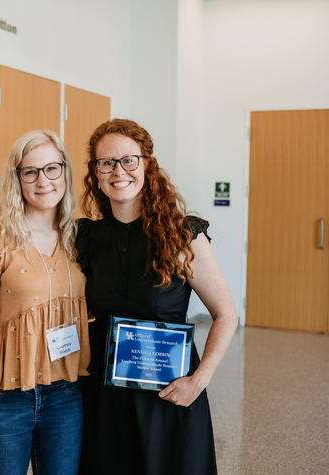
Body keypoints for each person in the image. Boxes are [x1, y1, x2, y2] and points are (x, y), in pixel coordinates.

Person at [76, 119, 238, 475]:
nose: (119, 171)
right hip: (104, 398)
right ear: (96, 174)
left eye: (128, 160)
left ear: (147, 164)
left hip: (169, 394)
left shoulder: (182, 235)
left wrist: (200, 380)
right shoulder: (86, 238)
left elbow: (226, 314)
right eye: (107, 163)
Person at [0, 130, 90, 475]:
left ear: (64, 172)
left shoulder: (79, 238)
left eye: (52, 168)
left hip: (65, 396)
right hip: (6, 401)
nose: (43, 180)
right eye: (30, 171)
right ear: (16, 179)